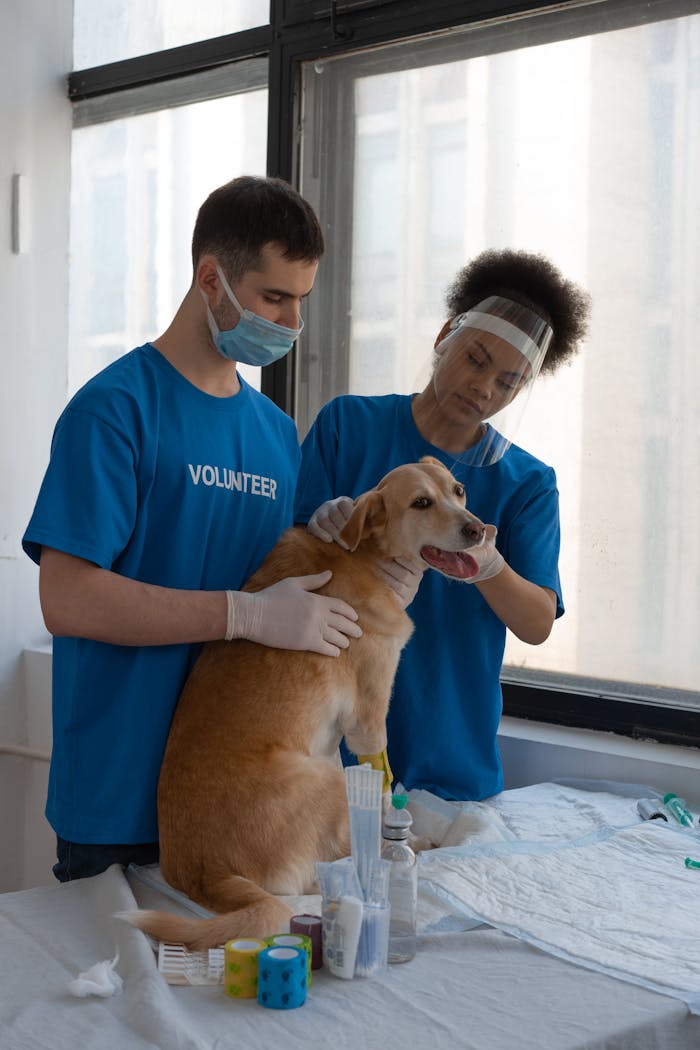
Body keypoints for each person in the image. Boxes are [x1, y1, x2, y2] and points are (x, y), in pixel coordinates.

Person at [22, 175, 365, 882]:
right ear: (211, 279)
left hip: (234, 800)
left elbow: (276, 591)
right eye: (274, 297)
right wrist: (244, 615)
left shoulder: (274, 435)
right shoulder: (114, 411)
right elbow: (69, 597)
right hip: (118, 802)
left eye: (303, 299)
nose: (293, 323)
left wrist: (330, 537)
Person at [295, 249, 591, 801]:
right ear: (444, 337)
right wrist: (322, 525)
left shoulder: (525, 482)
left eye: (508, 381)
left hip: (451, 761)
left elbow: (536, 622)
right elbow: (283, 563)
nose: (484, 388)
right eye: (475, 359)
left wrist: (488, 566)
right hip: (327, 752)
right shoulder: (348, 427)